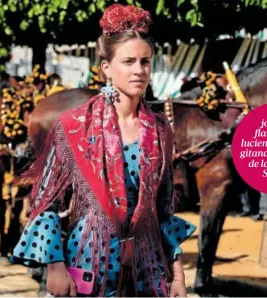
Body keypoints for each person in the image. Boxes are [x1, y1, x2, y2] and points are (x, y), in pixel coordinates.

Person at [11, 4, 196, 297]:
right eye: (129, 61)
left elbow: (163, 211)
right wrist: (55, 266)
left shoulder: (161, 129)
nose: (139, 70)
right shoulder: (74, 126)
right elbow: (46, 203)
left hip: (148, 271)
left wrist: (177, 275)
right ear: (106, 68)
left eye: (145, 61)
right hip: (89, 266)